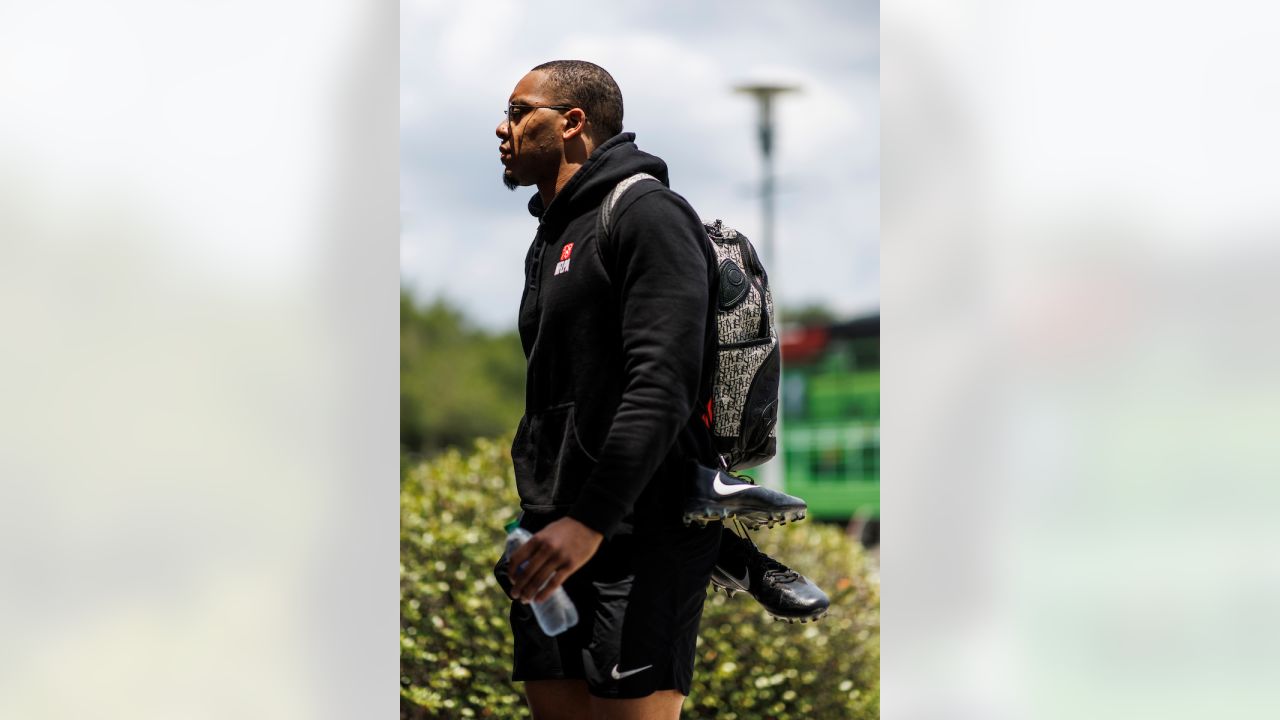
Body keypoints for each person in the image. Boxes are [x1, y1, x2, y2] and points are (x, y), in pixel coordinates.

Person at [495, 60, 825, 720]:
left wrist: (587, 523)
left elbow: (662, 384)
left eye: (519, 111)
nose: (502, 129)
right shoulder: (552, 235)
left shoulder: (648, 214)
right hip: (553, 535)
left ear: (572, 123)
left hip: (639, 532)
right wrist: (537, 516)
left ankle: (724, 546)